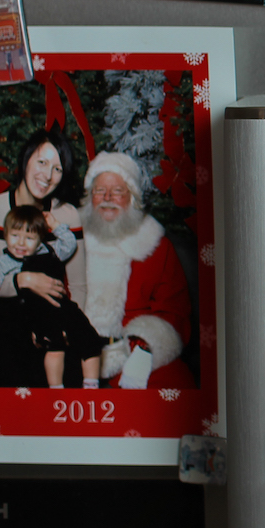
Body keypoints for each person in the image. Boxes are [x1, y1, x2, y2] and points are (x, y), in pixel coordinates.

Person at [80, 151, 194, 389]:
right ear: (90, 197)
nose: (107, 197)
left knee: (175, 386)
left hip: (132, 349)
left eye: (118, 191)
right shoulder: (73, 239)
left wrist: (144, 350)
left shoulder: (155, 245)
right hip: (77, 349)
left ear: (132, 197)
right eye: (100, 190)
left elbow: (174, 310)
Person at [0, 205, 103, 389]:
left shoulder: (49, 250)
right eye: (15, 236)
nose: (21, 243)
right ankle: (56, 390)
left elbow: (70, 244)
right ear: (6, 235)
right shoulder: (5, 262)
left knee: (90, 340)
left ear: (39, 241)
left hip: (65, 308)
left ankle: (91, 387)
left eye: (29, 238)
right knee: (55, 347)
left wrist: (55, 225)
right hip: (39, 314)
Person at [0, 127, 87, 308]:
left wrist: (68, 332)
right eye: (42, 162)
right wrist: (23, 280)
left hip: (50, 315)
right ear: (25, 160)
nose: (48, 175)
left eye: (57, 169)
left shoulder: (66, 215)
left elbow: (78, 287)